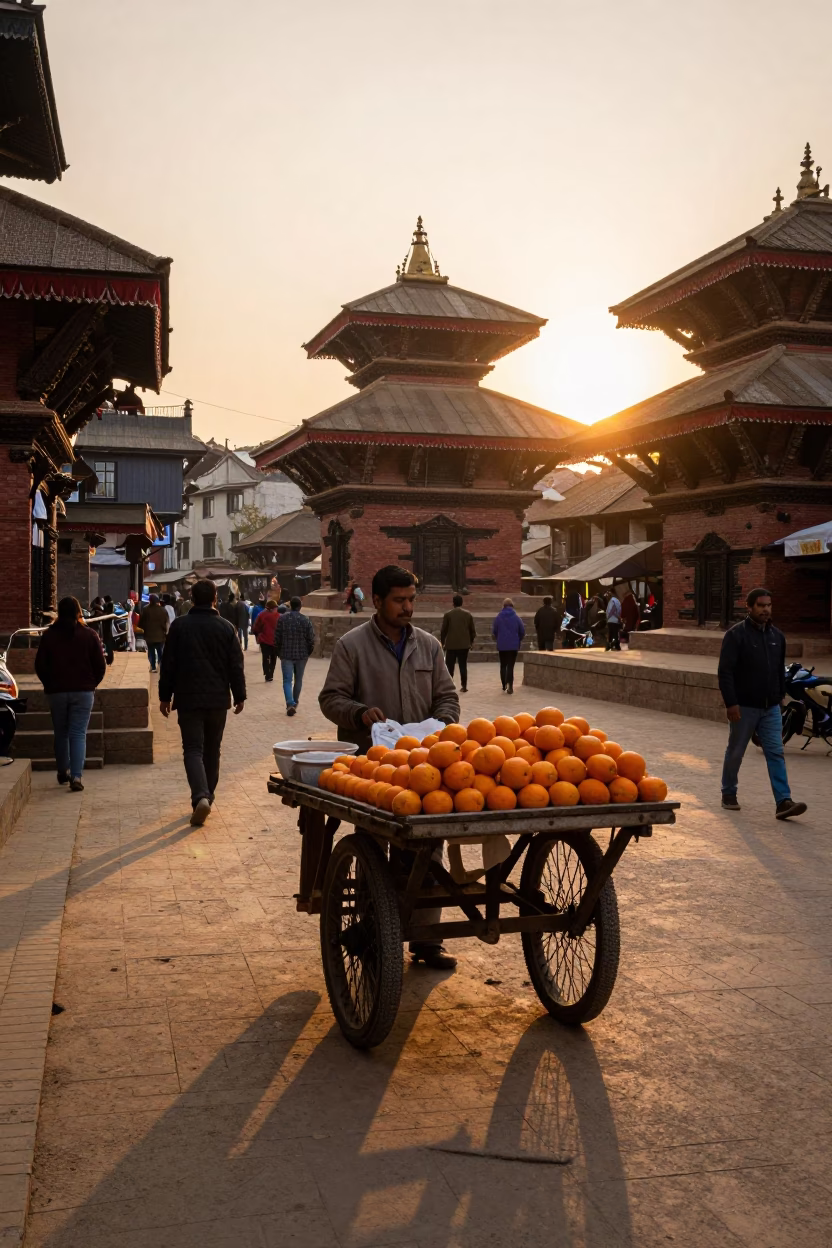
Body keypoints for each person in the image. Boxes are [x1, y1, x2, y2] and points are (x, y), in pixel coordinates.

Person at [319, 565, 460, 970]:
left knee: (428, 850)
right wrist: (360, 713)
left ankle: (427, 939)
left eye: (411, 600)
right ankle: (373, 929)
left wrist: (443, 723)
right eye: (399, 600)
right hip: (373, 771)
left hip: (425, 769)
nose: (407, 608)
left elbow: (447, 698)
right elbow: (330, 698)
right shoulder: (352, 645)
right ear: (377, 601)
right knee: (374, 849)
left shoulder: (429, 646)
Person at [158, 578, 246, 826]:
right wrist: (239, 695)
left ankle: (200, 797)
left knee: (193, 749)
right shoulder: (226, 628)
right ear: (215, 598)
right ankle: (207, 795)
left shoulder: (179, 626)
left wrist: (165, 696)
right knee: (212, 749)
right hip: (218, 699)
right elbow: (235, 666)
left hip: (188, 699)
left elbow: (168, 665)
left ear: (192, 598)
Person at [718, 588, 806, 820]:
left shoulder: (778, 637)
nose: (765, 609)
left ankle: (783, 801)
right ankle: (728, 793)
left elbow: (779, 671)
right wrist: (731, 704)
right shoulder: (736, 635)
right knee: (736, 751)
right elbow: (725, 672)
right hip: (743, 707)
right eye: (760, 605)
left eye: (768, 605)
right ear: (749, 607)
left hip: (771, 708)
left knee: (776, 752)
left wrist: (780, 696)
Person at [34, 596, 106, 791]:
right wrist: (91, 684)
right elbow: (100, 666)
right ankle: (76, 777)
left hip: (56, 691)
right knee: (78, 733)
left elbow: (40, 665)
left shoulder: (49, 635)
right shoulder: (89, 635)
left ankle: (62, 770)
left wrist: (49, 683)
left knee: (61, 732)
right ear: (78, 612)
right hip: (83, 692)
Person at [275, 596, 316, 716]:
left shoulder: (282, 619)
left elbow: (277, 638)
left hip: (286, 653)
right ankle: (295, 702)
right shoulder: (305, 620)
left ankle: (290, 703)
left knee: (287, 680)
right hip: (301, 655)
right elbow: (311, 639)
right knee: (298, 680)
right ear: (300, 606)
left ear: (290, 606)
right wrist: (308, 652)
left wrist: (279, 652)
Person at [440, 594, 476, 693]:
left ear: (453, 603)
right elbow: (472, 631)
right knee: (463, 666)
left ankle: (449, 686)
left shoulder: (448, 615)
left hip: (451, 644)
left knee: (449, 666)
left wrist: (443, 642)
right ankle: (464, 685)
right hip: (464, 645)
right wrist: (471, 642)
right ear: (462, 603)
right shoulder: (467, 614)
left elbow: (444, 630)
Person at [492, 598, 525, 694]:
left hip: (502, 645)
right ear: (512, 606)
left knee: (503, 665)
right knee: (510, 666)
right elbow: (522, 631)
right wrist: (518, 639)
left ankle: (503, 685)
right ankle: (510, 686)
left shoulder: (498, 617)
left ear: (503, 606)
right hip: (513, 645)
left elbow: (494, 631)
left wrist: (498, 639)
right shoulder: (516, 618)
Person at [138, 593, 169, 672]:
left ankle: (153, 667)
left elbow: (141, 623)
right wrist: (165, 632)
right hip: (160, 635)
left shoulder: (145, 609)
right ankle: (161, 666)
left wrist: (145, 628)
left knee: (151, 651)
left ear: (150, 600)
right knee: (160, 651)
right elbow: (166, 623)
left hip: (149, 635)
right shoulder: (163, 610)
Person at [252, 598, 280, 681]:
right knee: (273, 658)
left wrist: (257, 634)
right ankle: (271, 674)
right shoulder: (279, 616)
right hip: (275, 641)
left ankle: (267, 674)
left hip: (264, 640)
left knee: (265, 657)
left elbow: (256, 627)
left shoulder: (261, 615)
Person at [100, 594, 116, 664]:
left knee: (107, 643)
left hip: (106, 628)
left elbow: (106, 615)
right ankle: (109, 659)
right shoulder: (111, 605)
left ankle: (109, 659)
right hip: (108, 628)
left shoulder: (108, 605)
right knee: (108, 643)